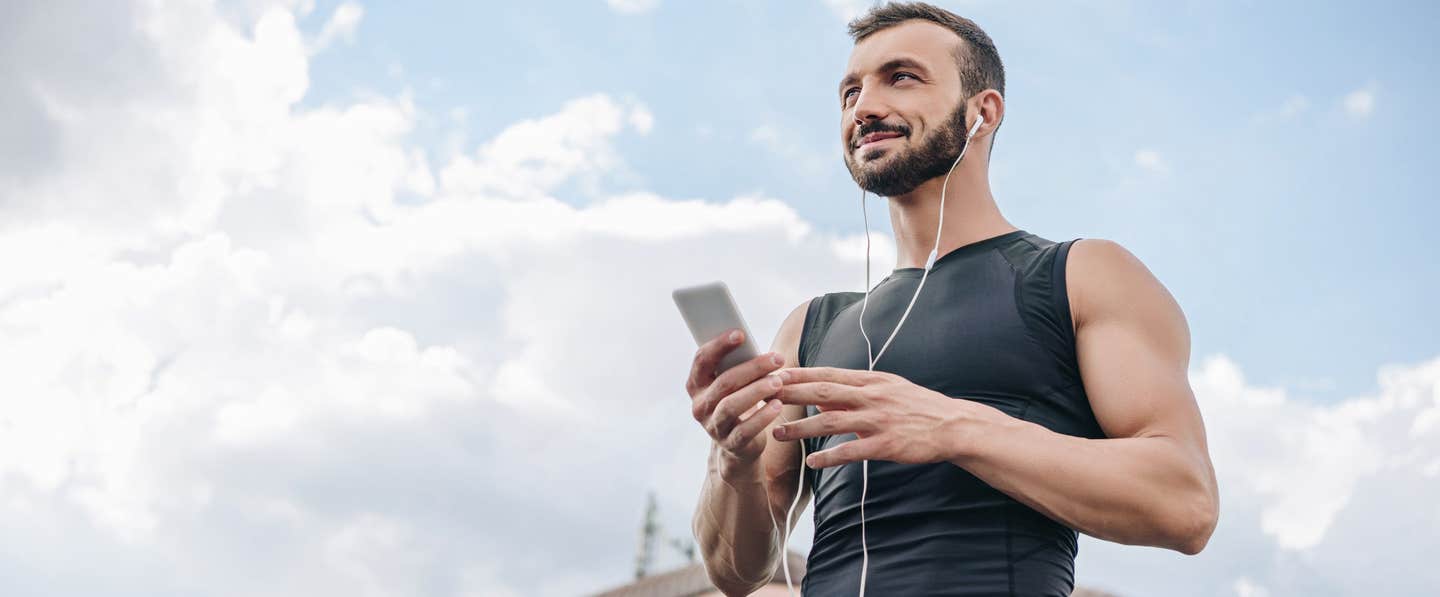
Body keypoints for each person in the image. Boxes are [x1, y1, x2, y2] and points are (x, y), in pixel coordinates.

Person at [685, 2, 1219, 595]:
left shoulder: (1080, 275)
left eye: (902, 77)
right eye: (849, 92)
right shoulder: (811, 326)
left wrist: (955, 427)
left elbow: (1185, 502)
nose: (864, 108)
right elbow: (737, 574)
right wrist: (730, 461)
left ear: (981, 112)